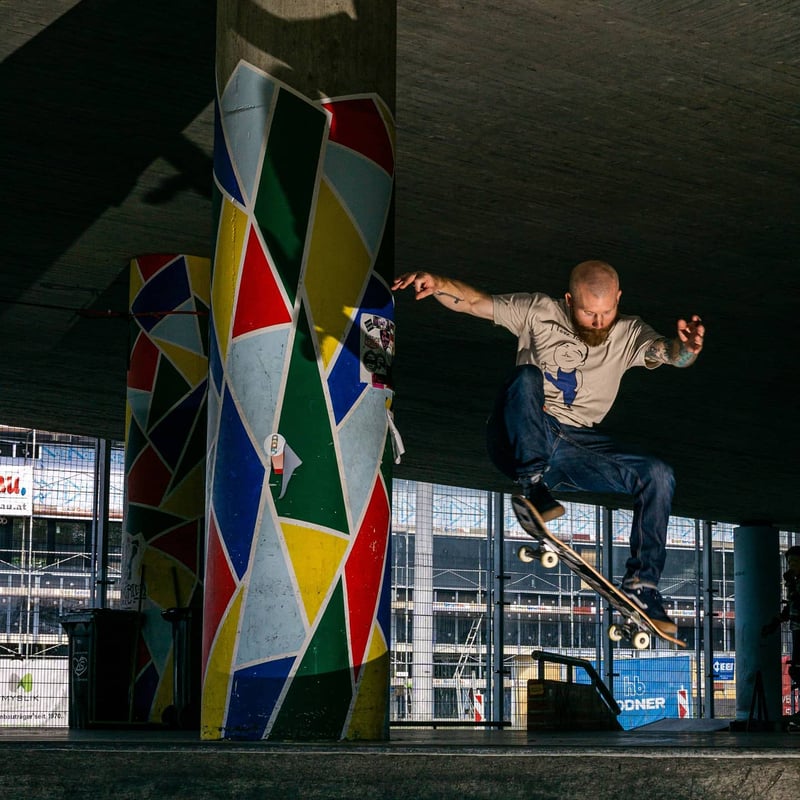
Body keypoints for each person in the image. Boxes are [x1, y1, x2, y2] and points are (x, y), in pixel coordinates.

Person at [392, 260, 705, 636]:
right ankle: (533, 484)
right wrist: (438, 282)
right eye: (588, 312)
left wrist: (686, 349)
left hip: (574, 447)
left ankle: (642, 585)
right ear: (570, 300)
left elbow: (669, 355)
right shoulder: (539, 310)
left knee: (657, 474)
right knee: (525, 377)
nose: (598, 322)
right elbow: (474, 303)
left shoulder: (630, 332)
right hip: (519, 436)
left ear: (619, 300)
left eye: (607, 312)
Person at [762, 545, 800, 688]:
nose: (792, 566)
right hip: (796, 629)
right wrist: (774, 624)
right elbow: (790, 607)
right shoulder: (794, 583)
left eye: (796, 562)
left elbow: (796, 601)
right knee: (796, 669)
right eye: (790, 563)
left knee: (797, 669)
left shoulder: (794, 583)